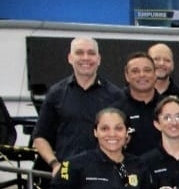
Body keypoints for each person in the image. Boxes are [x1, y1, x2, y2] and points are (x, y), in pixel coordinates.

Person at [33, 37, 124, 172]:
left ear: (98, 59)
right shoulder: (56, 93)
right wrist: (54, 164)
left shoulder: (116, 95)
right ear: (70, 58)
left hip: (106, 173)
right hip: (67, 172)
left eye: (91, 53)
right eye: (80, 53)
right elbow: (40, 137)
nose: (86, 58)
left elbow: (126, 136)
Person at [114, 52, 164, 157]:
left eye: (147, 70)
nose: (142, 75)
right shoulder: (115, 111)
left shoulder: (169, 107)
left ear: (155, 74)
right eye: (135, 71)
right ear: (126, 76)